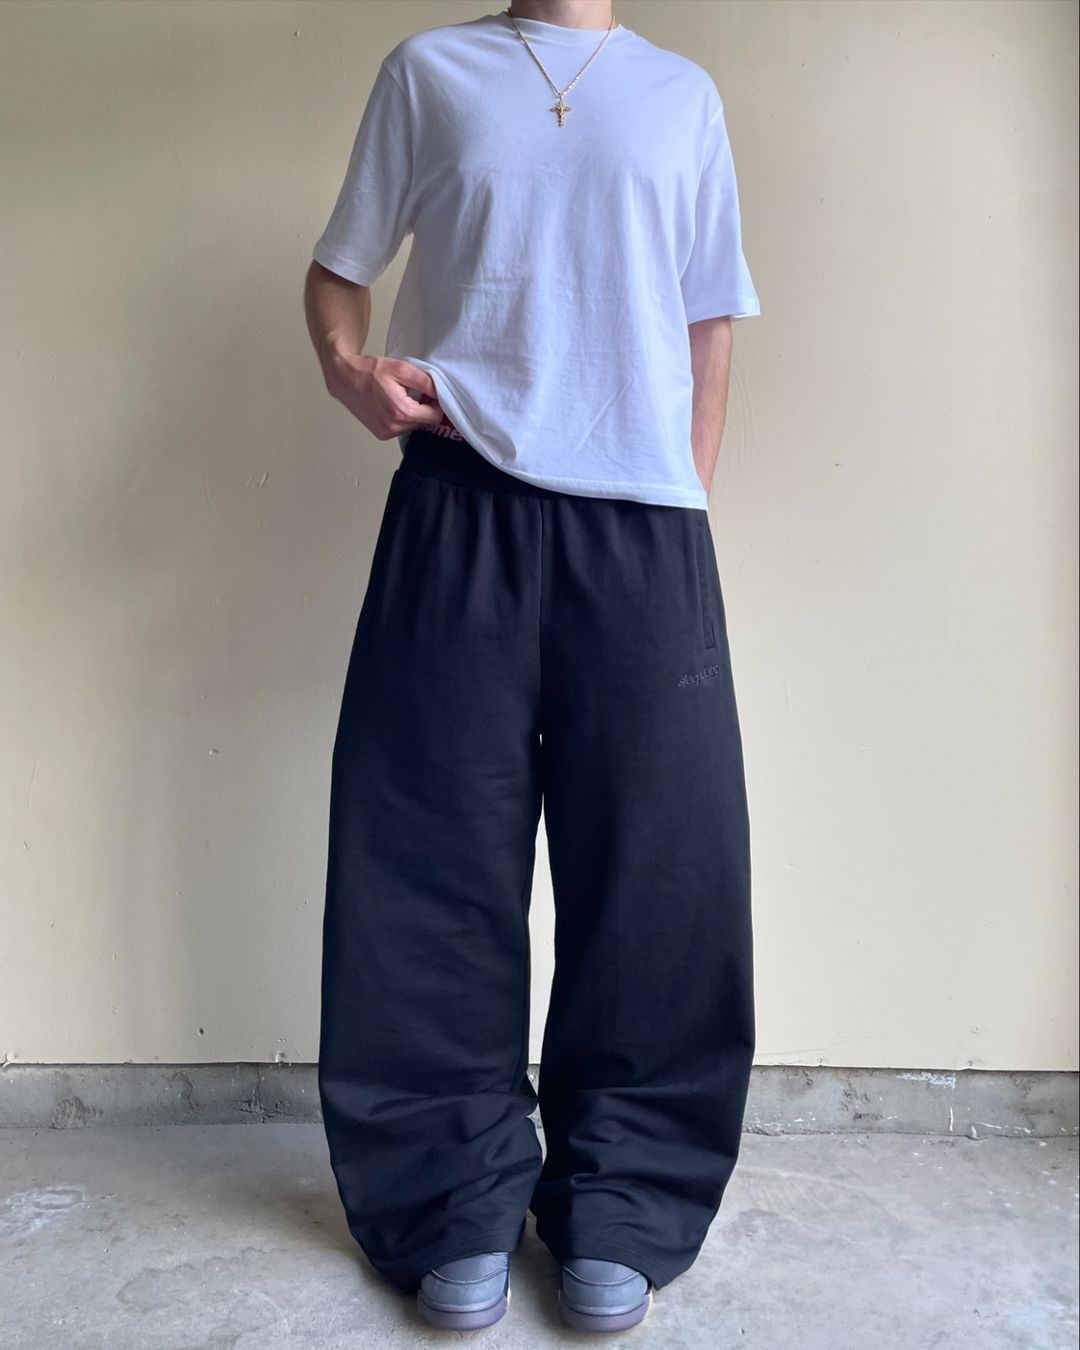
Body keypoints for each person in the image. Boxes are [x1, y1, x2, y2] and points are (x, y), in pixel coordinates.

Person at [303, 0, 760, 1332]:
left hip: (645, 529)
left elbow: (710, 321)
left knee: (660, 866)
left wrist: (680, 493)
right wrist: (348, 373)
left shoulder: (682, 97)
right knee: (426, 856)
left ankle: (625, 1194)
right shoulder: (429, 72)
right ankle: (447, 1193)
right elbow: (337, 272)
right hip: (459, 499)